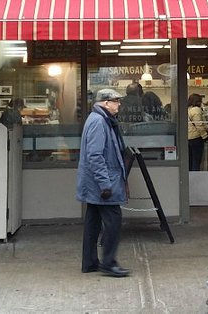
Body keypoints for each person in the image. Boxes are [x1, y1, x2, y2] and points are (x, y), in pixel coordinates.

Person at [76, 88, 131, 278]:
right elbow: (95, 156)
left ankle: (90, 262)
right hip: (102, 185)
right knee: (113, 221)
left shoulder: (99, 119)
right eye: (116, 101)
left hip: (96, 184)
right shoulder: (99, 122)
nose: (119, 104)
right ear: (106, 103)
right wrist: (105, 184)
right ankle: (109, 263)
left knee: (93, 223)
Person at [186, 93, 208, 171]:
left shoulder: (187, 109)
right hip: (196, 138)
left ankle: (189, 178)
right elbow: (199, 124)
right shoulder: (196, 110)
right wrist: (205, 136)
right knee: (196, 161)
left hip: (188, 138)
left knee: (189, 160)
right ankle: (195, 177)